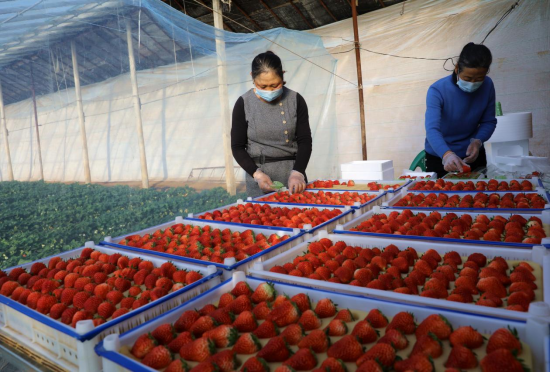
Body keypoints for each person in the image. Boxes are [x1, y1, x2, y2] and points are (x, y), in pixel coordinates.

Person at [231, 51, 313, 198]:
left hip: (293, 177)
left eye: (275, 85)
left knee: (297, 218)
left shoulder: (295, 100)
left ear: (282, 75)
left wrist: (298, 172)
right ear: (252, 77)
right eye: (262, 86)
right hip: (259, 178)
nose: (269, 91)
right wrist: (257, 174)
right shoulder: (244, 103)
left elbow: (304, 140)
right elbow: (237, 146)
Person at [424, 43, 497, 178]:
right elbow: (432, 129)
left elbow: (489, 121)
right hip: (440, 155)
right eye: (467, 78)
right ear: (457, 68)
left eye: (479, 79)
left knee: (478, 194)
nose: (473, 83)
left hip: (473, 156)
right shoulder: (437, 90)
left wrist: (477, 141)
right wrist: (446, 154)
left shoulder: (487, 85)